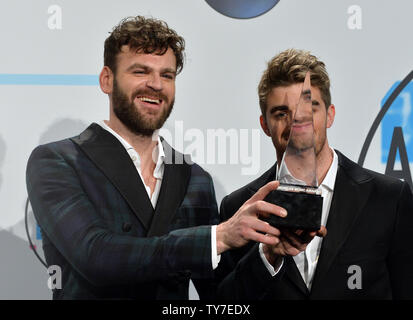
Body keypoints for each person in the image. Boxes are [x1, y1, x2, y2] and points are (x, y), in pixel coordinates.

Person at [26, 16, 310, 300]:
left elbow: (221, 298)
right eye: (140, 71)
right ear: (107, 80)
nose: (155, 85)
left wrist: (267, 255)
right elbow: (96, 257)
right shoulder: (59, 162)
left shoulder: (194, 179)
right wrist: (217, 238)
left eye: (167, 75)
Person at [217, 48, 413, 299]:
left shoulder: (389, 198)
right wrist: (266, 257)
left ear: (330, 115)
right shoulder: (238, 206)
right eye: (281, 113)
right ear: (265, 124)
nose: (297, 122)